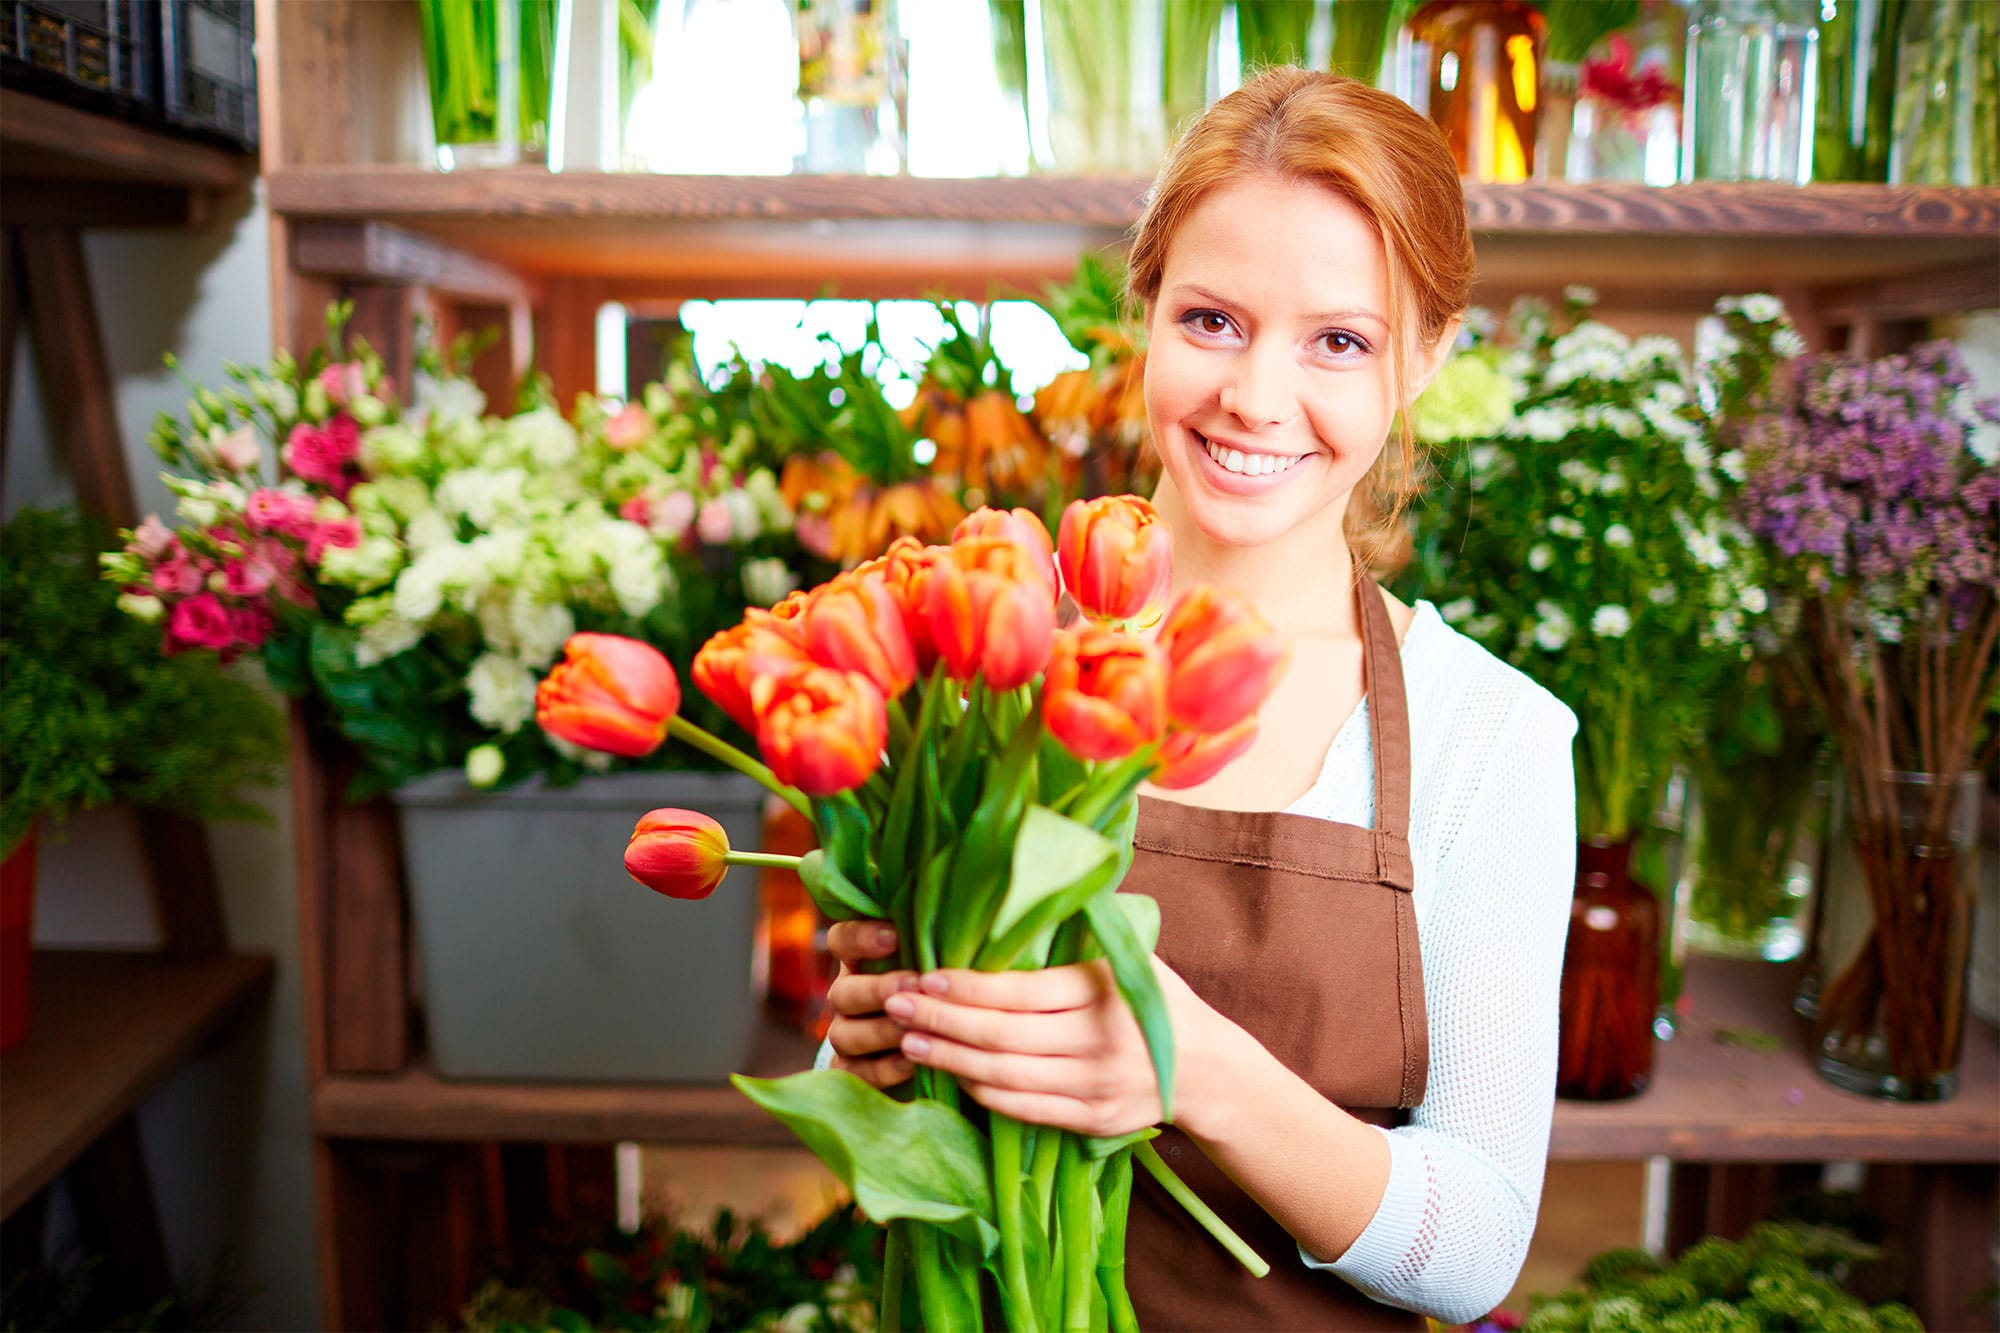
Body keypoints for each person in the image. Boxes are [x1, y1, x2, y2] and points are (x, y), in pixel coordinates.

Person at [823, 66, 1578, 1330]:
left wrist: (1192, 1072)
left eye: (1338, 340)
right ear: (1145, 305)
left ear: (1427, 358)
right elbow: (864, 1160)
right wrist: (869, 1047)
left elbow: (1479, 1246)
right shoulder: (979, 642)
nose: (1254, 398)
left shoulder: (1485, 739)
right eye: (1213, 320)